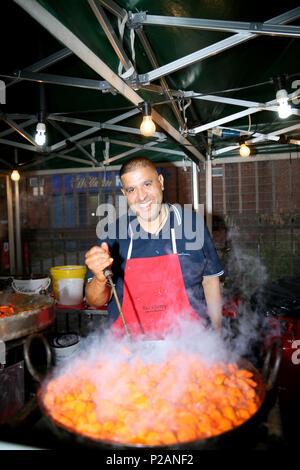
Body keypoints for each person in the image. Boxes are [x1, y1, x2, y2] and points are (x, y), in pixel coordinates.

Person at [85, 156, 224, 339]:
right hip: (130, 350)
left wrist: (217, 334)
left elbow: (210, 281)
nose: (141, 196)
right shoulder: (113, 235)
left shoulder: (193, 225)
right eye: (132, 189)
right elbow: (95, 301)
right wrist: (98, 277)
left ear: (161, 182)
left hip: (190, 345)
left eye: (147, 184)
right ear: (125, 194)